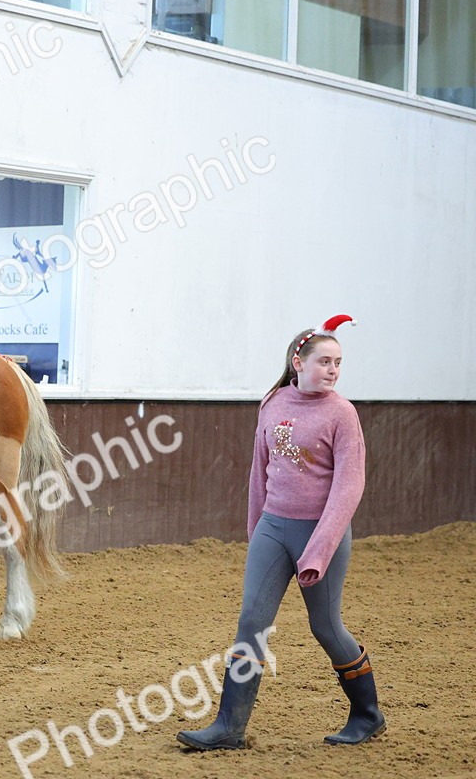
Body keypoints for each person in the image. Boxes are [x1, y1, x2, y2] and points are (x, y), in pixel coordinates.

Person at [177, 315, 386, 750]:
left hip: (320, 534)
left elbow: (350, 487)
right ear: (298, 362)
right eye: (325, 361)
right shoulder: (272, 403)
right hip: (274, 527)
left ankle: (368, 714)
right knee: (251, 622)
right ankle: (228, 728)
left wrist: (319, 548)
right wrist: (257, 532)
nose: (333, 370)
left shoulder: (343, 415)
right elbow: (260, 471)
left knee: (326, 627)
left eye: (338, 363)